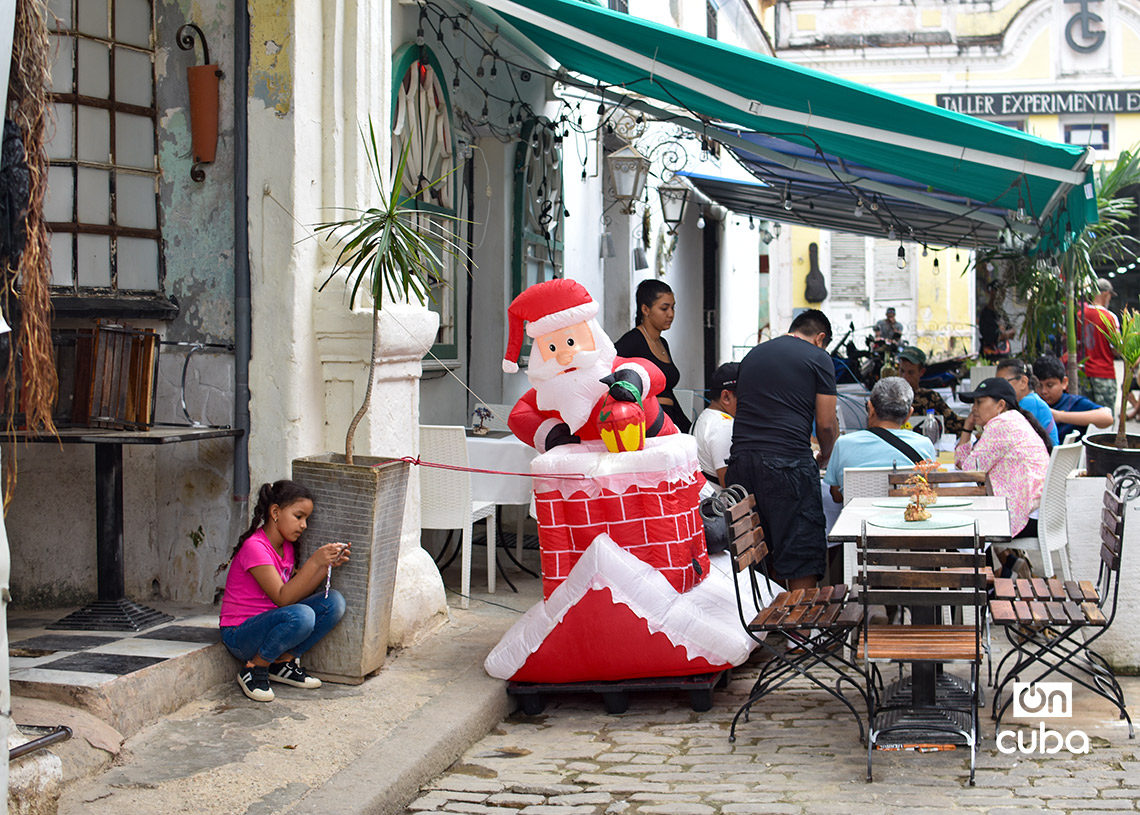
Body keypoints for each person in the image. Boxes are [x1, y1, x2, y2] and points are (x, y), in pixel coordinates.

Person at [727, 309, 839, 594]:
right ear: (820, 338)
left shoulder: (753, 355)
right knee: (801, 550)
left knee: (755, 549)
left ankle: (761, 627)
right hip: (788, 463)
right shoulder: (819, 358)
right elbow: (826, 425)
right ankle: (800, 636)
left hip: (741, 464)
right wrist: (827, 456)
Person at [503, 278, 677, 452]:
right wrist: (549, 434)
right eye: (552, 348)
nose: (564, 356)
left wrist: (632, 379)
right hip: (590, 465)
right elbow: (519, 415)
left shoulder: (611, 368)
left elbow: (655, 374)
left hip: (654, 449)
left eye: (571, 342)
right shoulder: (549, 390)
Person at [220, 480, 349, 702]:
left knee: (334, 602)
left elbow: (296, 593)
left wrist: (324, 566)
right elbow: (283, 598)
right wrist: (314, 561)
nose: (304, 525)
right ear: (275, 512)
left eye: (306, 519)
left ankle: (280, 663)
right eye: (298, 517)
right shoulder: (256, 547)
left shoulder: (287, 547)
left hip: (269, 627)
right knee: (302, 615)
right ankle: (254, 668)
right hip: (240, 634)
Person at [955, 378, 1051, 580]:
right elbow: (965, 466)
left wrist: (966, 429)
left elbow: (968, 469)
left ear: (1000, 405)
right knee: (975, 519)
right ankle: (1002, 573)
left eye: (979, 402)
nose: (974, 409)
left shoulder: (1001, 425)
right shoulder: (1012, 420)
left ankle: (986, 586)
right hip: (1038, 512)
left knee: (964, 527)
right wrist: (968, 427)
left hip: (1027, 516)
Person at [823, 377, 935, 504]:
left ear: (870, 409)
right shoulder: (925, 444)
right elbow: (928, 491)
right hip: (908, 520)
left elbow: (837, 496)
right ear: (908, 415)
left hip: (859, 520)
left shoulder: (843, 444)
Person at [614, 279, 692, 433]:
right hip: (651, 424)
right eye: (664, 308)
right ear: (645, 309)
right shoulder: (633, 340)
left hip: (671, 418)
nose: (671, 314)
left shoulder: (662, 342)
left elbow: (668, 390)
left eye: (673, 307)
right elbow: (608, 369)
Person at [1032, 355, 1113, 442]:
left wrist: (1059, 416)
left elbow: (1106, 417)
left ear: (1064, 383)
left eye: (1050, 385)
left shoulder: (1073, 403)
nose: (1044, 391)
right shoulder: (1033, 403)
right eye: (1039, 386)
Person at [896, 345, 966, 435]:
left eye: (911, 372)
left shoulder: (930, 398)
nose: (905, 377)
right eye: (902, 371)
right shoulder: (890, 397)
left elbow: (954, 423)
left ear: (921, 372)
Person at [693, 362, 739, 491]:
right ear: (726, 397)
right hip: (720, 507)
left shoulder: (704, 417)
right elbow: (730, 483)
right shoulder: (724, 425)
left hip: (705, 504)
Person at [1079, 278, 1120, 415]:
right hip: (1104, 373)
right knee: (1106, 418)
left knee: (1086, 416)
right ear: (1105, 293)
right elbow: (1116, 349)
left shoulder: (1080, 315)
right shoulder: (1109, 317)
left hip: (1084, 374)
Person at [995, 358, 1059, 445]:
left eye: (1003, 382)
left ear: (1023, 382)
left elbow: (1005, 436)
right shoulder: (1031, 400)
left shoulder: (1029, 403)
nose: (998, 388)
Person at [978, 283, 1016, 361]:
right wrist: (1003, 334)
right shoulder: (986, 314)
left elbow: (1012, 332)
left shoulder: (1001, 312)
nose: (1002, 297)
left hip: (1004, 355)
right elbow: (992, 337)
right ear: (992, 292)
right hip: (990, 357)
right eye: (1000, 293)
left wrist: (1004, 333)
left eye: (1004, 294)